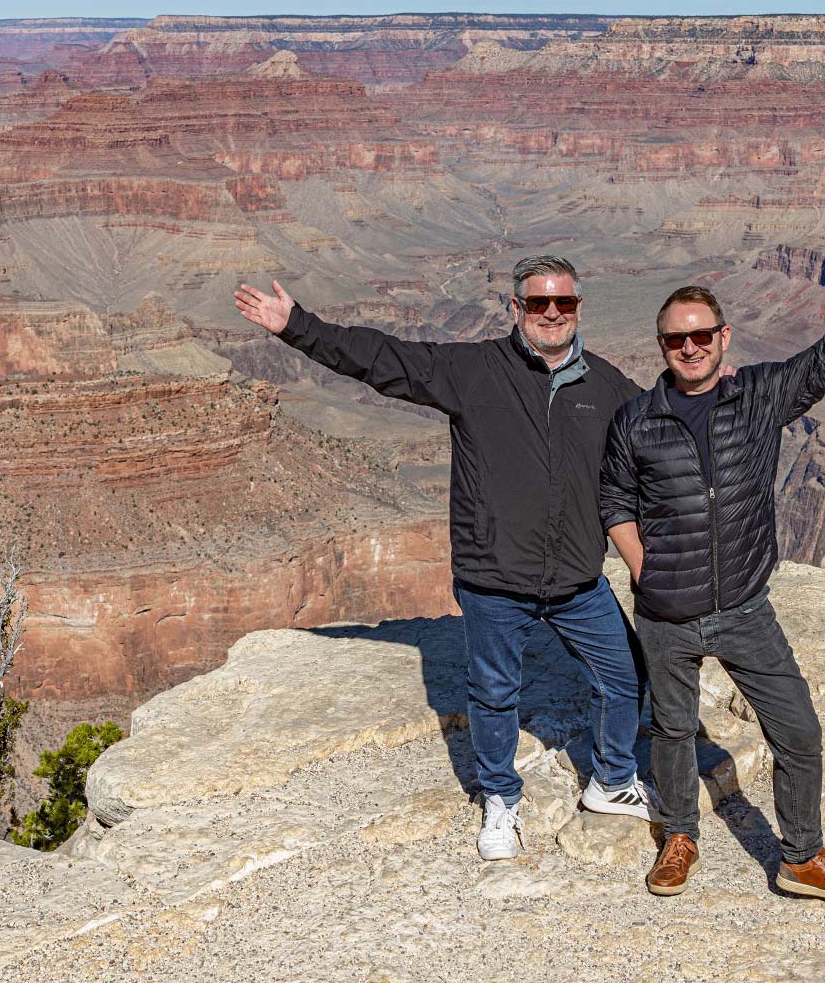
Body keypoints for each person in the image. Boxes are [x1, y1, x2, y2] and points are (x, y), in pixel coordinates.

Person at [234, 257, 660, 860]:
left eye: (563, 303)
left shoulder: (608, 386)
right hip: (493, 580)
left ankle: (613, 781)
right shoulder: (475, 370)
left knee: (625, 677)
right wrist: (296, 325)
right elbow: (384, 360)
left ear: (579, 308)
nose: (552, 314)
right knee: (492, 693)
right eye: (538, 303)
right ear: (516, 309)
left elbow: (662, 440)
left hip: (576, 579)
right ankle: (500, 800)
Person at [599, 216, 825, 904]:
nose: (690, 347)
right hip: (666, 613)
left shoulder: (758, 396)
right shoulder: (636, 420)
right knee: (672, 729)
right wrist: (643, 566)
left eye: (701, 335)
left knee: (798, 728)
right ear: (662, 346)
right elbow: (614, 498)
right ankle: (680, 835)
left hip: (744, 607)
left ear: (723, 338)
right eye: (676, 339)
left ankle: (800, 856)